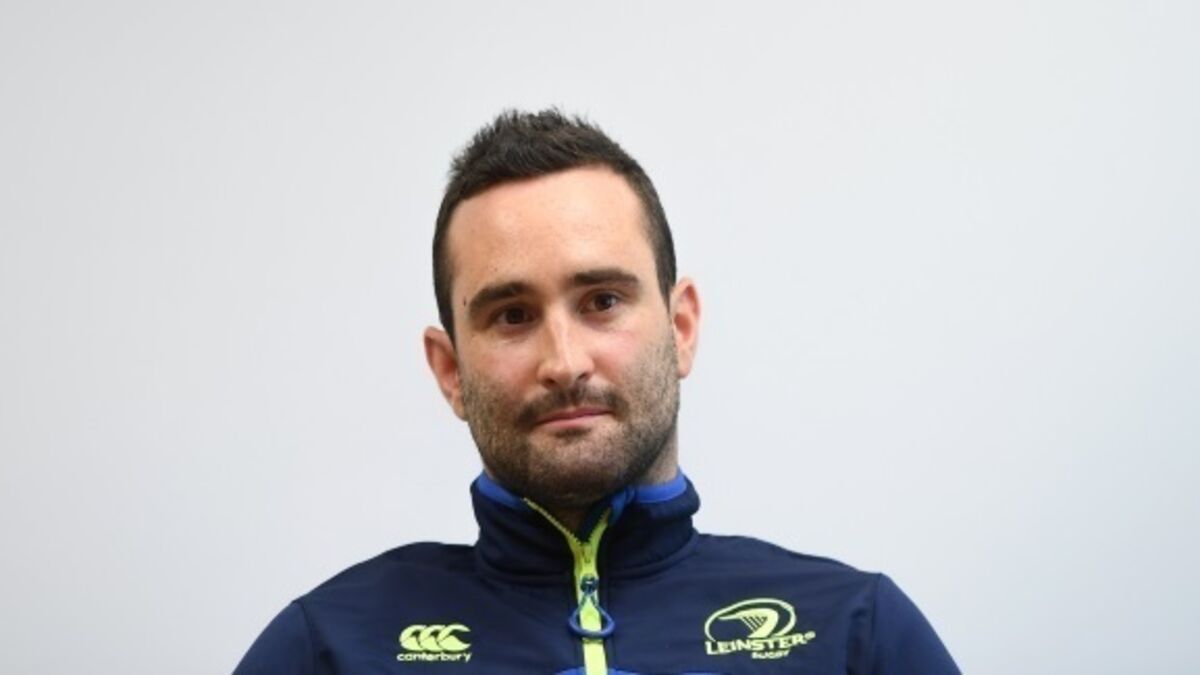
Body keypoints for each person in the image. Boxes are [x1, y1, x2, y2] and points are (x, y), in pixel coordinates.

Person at [234, 109, 960, 674]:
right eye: (512, 316)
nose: (564, 361)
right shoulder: (327, 646)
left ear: (680, 327)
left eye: (602, 301)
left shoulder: (857, 633)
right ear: (450, 370)